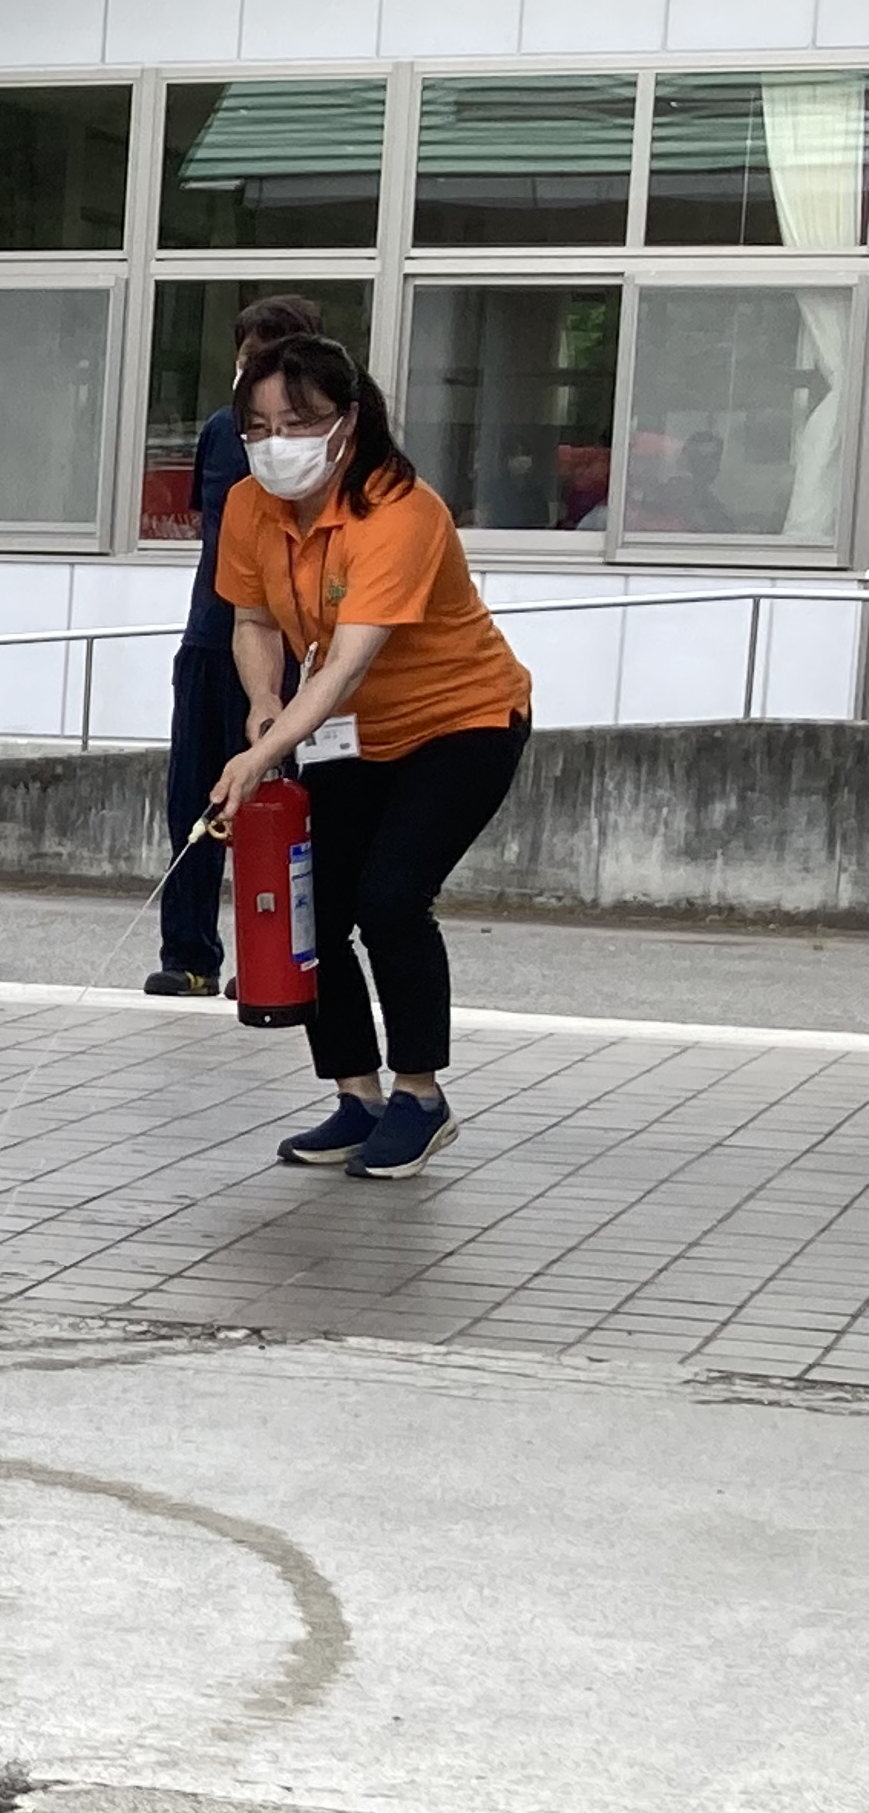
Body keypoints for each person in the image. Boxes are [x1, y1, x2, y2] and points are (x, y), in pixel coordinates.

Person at [208, 329, 535, 1182]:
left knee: (391, 899)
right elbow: (252, 620)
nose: (277, 443)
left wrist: (262, 756)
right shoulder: (249, 506)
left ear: (349, 420)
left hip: (461, 721)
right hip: (346, 729)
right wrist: (264, 702)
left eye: (299, 422)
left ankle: (420, 1096)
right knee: (318, 908)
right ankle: (358, 1096)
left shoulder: (401, 511)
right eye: (259, 427)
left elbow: (349, 660)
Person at [149, 294, 330, 999]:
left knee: (278, 804)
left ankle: (278, 957)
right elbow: (214, 529)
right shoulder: (223, 431)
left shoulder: (324, 446)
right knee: (195, 800)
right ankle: (190, 955)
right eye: (248, 355)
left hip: (292, 648)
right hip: (211, 636)